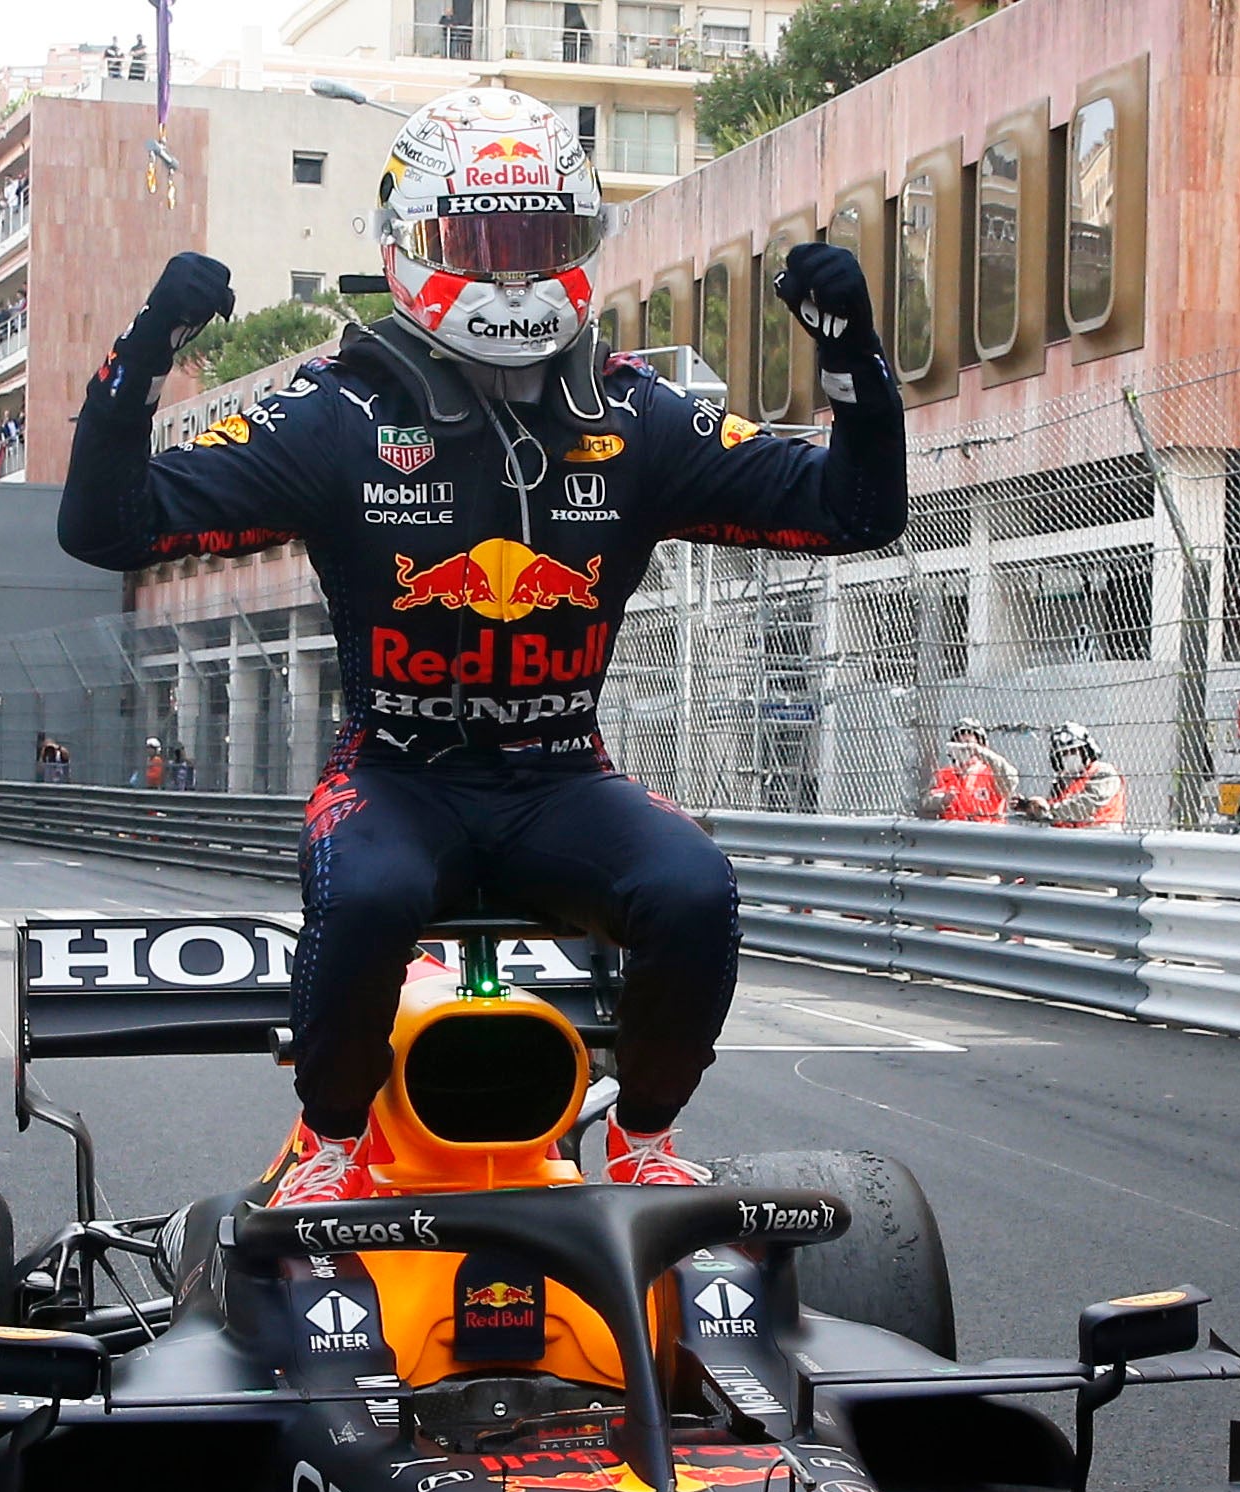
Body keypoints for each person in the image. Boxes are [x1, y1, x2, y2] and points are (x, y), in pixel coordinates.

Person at [57, 88, 907, 1205]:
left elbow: (855, 511)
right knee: (368, 896)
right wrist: (142, 359)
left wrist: (852, 361)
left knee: (695, 884)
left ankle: (643, 1136)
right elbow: (106, 525)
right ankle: (329, 1145)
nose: (511, 275)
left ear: (583, 242)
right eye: (481, 242)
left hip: (561, 781)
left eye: (538, 241)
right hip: (395, 778)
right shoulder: (334, 414)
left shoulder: (635, 413)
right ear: (410, 241)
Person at [1016, 721, 1125, 827]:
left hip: (1099, 836)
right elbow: (1053, 809)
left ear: (1086, 751)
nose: (1068, 757)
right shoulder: (1063, 780)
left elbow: (1084, 806)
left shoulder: (1104, 773)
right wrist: (1031, 807)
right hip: (1067, 836)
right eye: (1063, 754)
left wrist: (1048, 810)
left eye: (1073, 751)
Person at [917, 717, 1016, 822]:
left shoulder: (992, 774)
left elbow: (1011, 778)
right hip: (951, 832)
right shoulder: (944, 775)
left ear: (981, 745)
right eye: (959, 743)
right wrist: (943, 800)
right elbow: (926, 802)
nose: (963, 748)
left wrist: (980, 752)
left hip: (986, 833)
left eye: (968, 743)